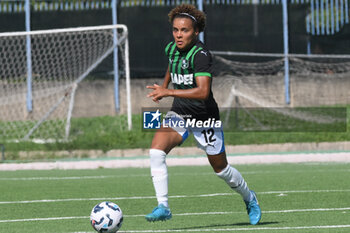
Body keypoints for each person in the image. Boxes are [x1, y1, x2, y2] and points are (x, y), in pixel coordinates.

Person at [145, 4, 261, 225]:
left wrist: (168, 91)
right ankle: (163, 207)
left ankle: (249, 197)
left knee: (221, 170)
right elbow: (171, 66)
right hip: (179, 112)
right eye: (175, 30)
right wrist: (163, 87)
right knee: (156, 152)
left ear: (196, 31)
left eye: (185, 30)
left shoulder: (201, 55)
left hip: (204, 117)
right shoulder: (171, 48)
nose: (179, 35)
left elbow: (202, 91)